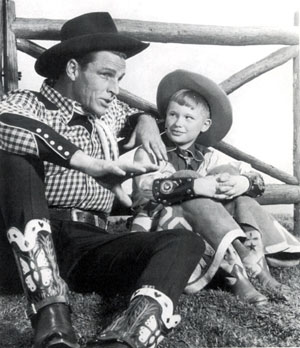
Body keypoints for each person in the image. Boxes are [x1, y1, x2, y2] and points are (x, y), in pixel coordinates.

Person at [0, 14, 206, 348]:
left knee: (185, 243)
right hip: (20, 248)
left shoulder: (106, 117)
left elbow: (134, 117)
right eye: (106, 75)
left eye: (120, 79)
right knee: (13, 153)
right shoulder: (28, 103)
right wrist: (89, 164)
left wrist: (145, 121)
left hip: (89, 243)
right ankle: (52, 320)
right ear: (72, 69)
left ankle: (127, 337)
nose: (115, 89)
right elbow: (5, 122)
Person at [131, 69, 300, 305]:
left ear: (205, 124)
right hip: (160, 226)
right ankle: (238, 274)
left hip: (207, 227)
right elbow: (147, 192)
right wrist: (195, 185)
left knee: (234, 185)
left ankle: (259, 267)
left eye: (188, 118)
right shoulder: (151, 150)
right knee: (187, 177)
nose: (178, 123)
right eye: (173, 115)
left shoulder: (208, 156)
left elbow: (258, 184)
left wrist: (241, 183)